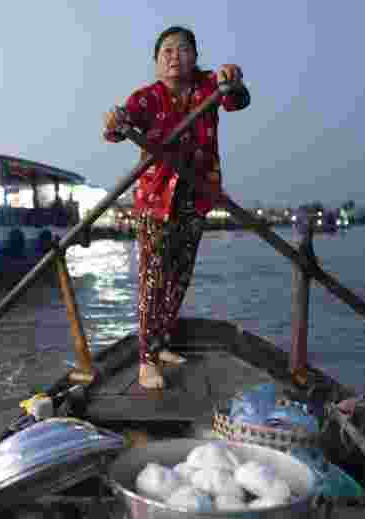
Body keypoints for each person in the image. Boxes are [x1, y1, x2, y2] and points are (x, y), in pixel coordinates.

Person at [103, 26, 249, 389]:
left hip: (197, 195)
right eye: (167, 50)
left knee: (180, 276)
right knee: (153, 279)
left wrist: (233, 77)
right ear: (156, 62)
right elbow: (119, 125)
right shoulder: (147, 98)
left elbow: (237, 99)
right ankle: (145, 359)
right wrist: (114, 122)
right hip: (157, 202)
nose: (174, 56)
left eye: (183, 49)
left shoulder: (207, 86)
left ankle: (162, 342)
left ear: (195, 58)